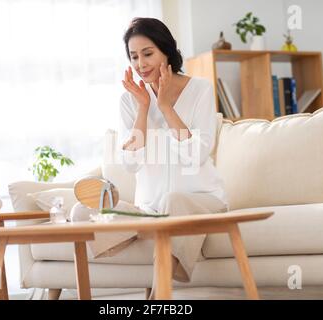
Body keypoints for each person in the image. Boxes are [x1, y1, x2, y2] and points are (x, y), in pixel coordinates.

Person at [70, 17, 229, 293]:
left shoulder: (200, 89)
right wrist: (144, 108)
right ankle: (153, 230)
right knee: (81, 211)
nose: (140, 64)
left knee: (173, 200)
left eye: (147, 53)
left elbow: (197, 155)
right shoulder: (129, 101)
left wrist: (166, 107)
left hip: (202, 202)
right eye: (134, 56)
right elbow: (130, 164)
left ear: (166, 51)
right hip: (151, 211)